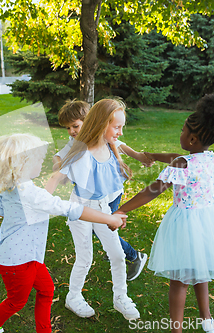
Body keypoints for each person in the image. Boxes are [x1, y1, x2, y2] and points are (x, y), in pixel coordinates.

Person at [115, 91, 214, 333]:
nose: (181, 134)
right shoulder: (209, 157)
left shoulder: (182, 164)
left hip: (186, 223)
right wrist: (152, 156)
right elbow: (178, 157)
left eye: (183, 131)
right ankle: (206, 319)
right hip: (208, 219)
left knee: (179, 281)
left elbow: (153, 190)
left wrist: (122, 209)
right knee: (201, 268)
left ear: (193, 139)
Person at [0, 133, 126, 333]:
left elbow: (5, 212)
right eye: (39, 159)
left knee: (47, 290)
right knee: (16, 302)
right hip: (18, 262)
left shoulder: (8, 186)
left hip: (27, 256)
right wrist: (109, 218)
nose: (43, 162)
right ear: (23, 164)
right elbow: (72, 209)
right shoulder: (30, 193)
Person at [46, 98, 140, 320]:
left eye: (121, 127)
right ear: (101, 124)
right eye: (117, 127)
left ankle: (121, 298)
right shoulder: (81, 152)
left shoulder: (109, 146)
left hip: (101, 208)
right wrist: (41, 204)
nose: (120, 132)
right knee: (85, 256)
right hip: (79, 210)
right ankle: (73, 297)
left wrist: (142, 157)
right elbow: (55, 177)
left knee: (117, 254)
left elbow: (122, 150)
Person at [52, 99, 153, 281]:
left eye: (75, 126)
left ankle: (134, 256)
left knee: (104, 226)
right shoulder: (76, 142)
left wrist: (138, 156)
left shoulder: (102, 135)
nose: (71, 131)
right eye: (67, 128)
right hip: (94, 195)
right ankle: (114, 249)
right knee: (101, 225)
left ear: (90, 120)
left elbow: (120, 145)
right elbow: (60, 156)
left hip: (111, 193)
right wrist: (58, 166)